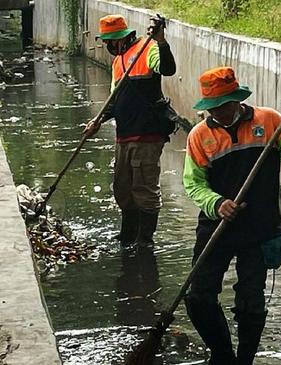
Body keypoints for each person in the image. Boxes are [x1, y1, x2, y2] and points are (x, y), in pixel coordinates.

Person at [182, 66, 281, 364]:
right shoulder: (199, 136)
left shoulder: (269, 122)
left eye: (225, 106)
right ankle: (222, 354)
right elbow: (193, 184)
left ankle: (245, 360)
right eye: (214, 108)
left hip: (259, 227)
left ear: (237, 101)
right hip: (217, 226)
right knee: (198, 297)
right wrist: (217, 203)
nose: (220, 113)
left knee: (251, 302)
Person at [84, 14, 177, 247]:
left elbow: (168, 68)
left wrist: (162, 42)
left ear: (118, 39)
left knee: (144, 189)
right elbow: (115, 102)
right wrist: (98, 120)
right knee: (122, 188)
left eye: (107, 42)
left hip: (147, 134)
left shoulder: (149, 49)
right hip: (124, 135)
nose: (106, 47)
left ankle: (145, 240)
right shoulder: (118, 63)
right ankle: (128, 235)